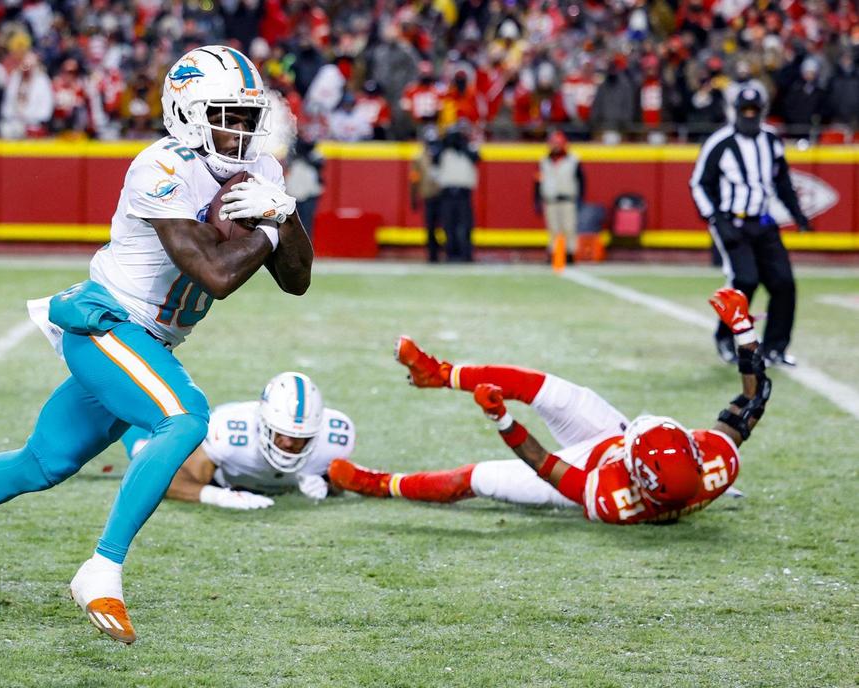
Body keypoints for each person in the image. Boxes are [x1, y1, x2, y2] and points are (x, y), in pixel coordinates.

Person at [0, 45, 313, 645]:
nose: (238, 128)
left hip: (151, 340)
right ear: (185, 110)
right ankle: (101, 568)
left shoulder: (263, 171)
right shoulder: (160, 166)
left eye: (245, 115)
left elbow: (297, 281)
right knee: (184, 420)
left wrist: (287, 217)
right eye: (225, 114)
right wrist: (269, 227)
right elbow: (216, 274)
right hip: (104, 322)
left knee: (42, 464)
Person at [332, 288, 768, 524]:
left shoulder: (611, 500)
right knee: (550, 389)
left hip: (581, 471)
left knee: (478, 478)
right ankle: (438, 373)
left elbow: (543, 464)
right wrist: (744, 332)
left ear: (636, 477)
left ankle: (375, 483)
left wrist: (502, 419)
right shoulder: (717, 462)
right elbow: (751, 401)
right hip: (609, 442)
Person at [690, 87, 811, 367]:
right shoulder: (720, 142)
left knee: (783, 283)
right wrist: (717, 219)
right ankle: (724, 336)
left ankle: (775, 348)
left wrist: (797, 214)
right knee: (744, 281)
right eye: (744, 110)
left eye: (753, 111)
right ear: (735, 111)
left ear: (761, 111)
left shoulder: (770, 140)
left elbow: (781, 180)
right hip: (732, 222)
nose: (749, 116)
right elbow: (698, 183)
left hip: (764, 221)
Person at [121, 372, 355, 508]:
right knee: (144, 451)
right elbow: (168, 480)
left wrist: (330, 485)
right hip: (212, 435)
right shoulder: (231, 436)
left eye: (299, 437)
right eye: (281, 433)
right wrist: (219, 496)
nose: (288, 443)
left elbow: (347, 480)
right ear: (263, 424)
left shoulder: (335, 438)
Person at [535, 131, 584, 263]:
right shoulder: (544, 161)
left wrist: (580, 199)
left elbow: (581, 181)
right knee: (553, 229)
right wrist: (537, 200)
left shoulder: (573, 160)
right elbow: (538, 181)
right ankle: (553, 254)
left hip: (568, 199)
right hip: (551, 200)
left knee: (569, 227)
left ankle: (570, 254)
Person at [433, 125, 478, 262]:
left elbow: (476, 157)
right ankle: (450, 254)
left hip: (463, 193)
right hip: (447, 193)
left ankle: (466, 254)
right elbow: (435, 159)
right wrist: (445, 143)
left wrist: (462, 145)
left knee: (465, 226)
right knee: (448, 226)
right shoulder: (443, 150)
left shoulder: (467, 148)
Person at [409, 126, 442, 262]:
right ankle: (432, 255)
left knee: (446, 227)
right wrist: (413, 197)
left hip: (443, 196)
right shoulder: (419, 157)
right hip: (428, 195)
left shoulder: (443, 154)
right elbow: (414, 178)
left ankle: (449, 253)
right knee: (430, 227)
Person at [284, 139, 324, 238]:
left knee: (306, 223)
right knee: (293, 224)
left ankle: (306, 249)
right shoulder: (292, 155)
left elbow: (320, 164)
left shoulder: (314, 154)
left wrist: (306, 152)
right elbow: (287, 163)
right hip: (293, 195)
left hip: (309, 194)